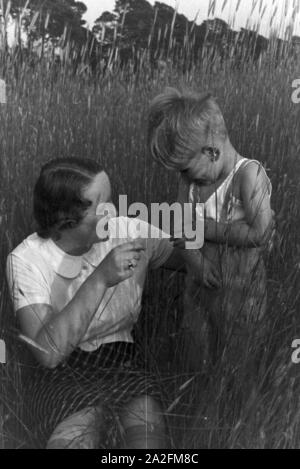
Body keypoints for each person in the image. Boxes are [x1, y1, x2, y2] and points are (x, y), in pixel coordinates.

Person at [6, 157, 192, 449]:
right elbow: (48, 354)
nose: (114, 212)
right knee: (72, 441)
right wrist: (100, 278)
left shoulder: (129, 231)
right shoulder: (27, 259)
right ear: (66, 221)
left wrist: (226, 242)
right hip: (63, 372)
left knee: (148, 441)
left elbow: (190, 258)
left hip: (123, 361)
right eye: (101, 206)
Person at [147, 87, 274, 373]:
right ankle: (200, 402)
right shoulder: (191, 183)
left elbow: (261, 233)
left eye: (186, 169)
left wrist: (204, 229)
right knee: (198, 358)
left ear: (211, 152)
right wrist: (197, 262)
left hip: (242, 292)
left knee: (240, 365)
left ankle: (242, 410)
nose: (183, 177)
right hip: (199, 287)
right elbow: (181, 225)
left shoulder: (249, 175)